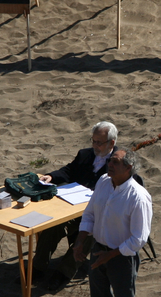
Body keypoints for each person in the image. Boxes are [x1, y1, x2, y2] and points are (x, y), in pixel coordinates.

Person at [32, 121, 118, 288]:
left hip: (101, 215)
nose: (95, 146)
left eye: (99, 143)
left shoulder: (120, 162)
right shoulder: (85, 154)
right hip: (73, 208)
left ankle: (63, 273)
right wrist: (51, 176)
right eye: (93, 141)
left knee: (89, 234)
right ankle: (37, 268)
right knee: (52, 226)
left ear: (112, 143)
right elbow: (69, 170)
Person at [74, 149, 152, 297]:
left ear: (128, 167)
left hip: (122, 257)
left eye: (115, 162)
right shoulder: (103, 181)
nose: (109, 164)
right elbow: (90, 214)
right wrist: (80, 241)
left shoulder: (138, 197)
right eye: (110, 160)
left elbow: (139, 239)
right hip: (98, 250)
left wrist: (110, 255)